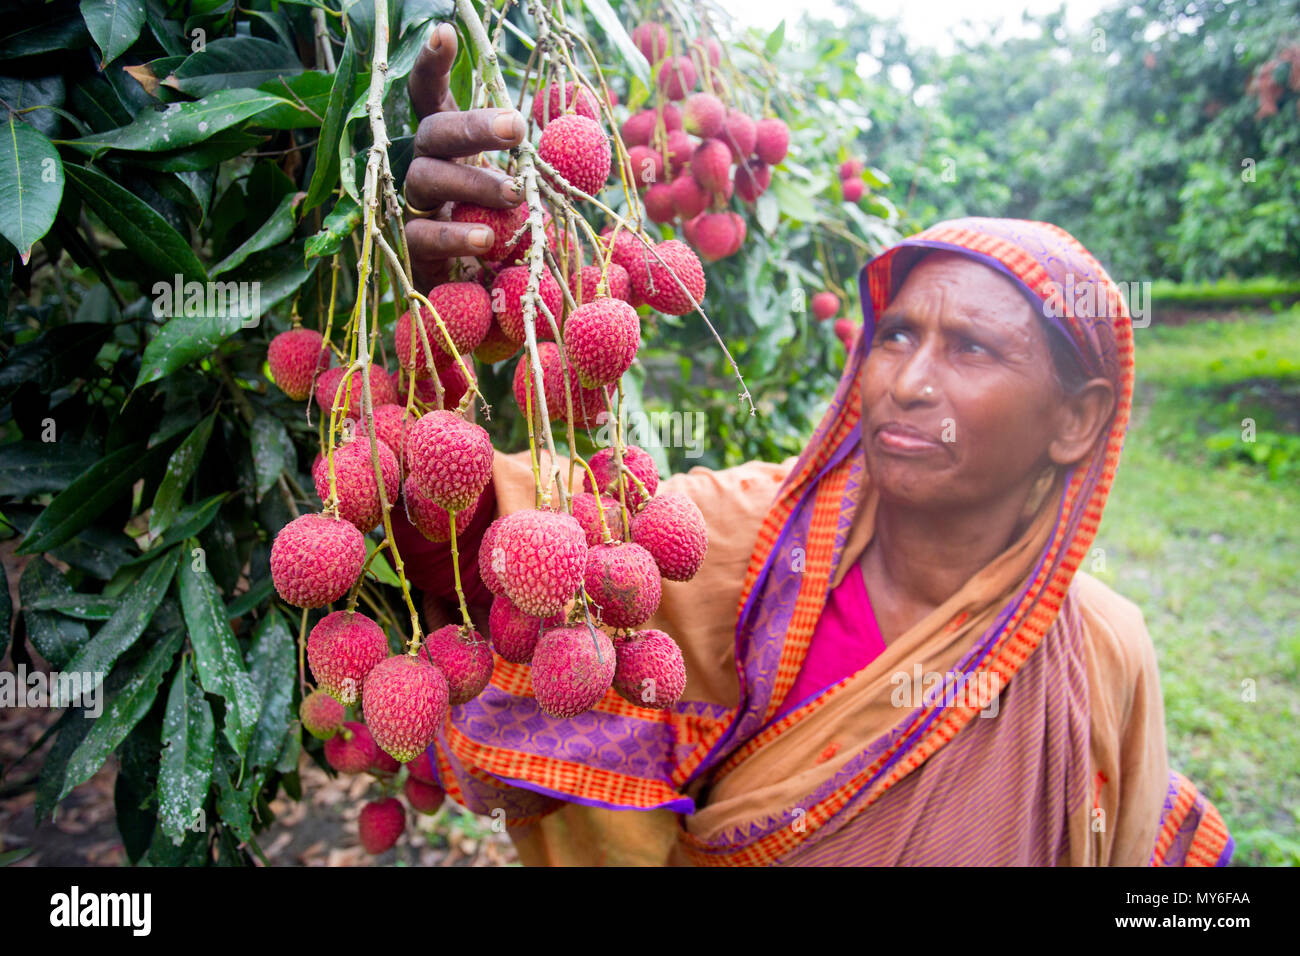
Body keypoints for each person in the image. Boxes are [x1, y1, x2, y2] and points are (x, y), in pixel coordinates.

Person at [396, 25, 1232, 866]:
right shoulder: (748, 534)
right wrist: (438, 332)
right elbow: (464, 558)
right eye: (897, 335)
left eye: (973, 349)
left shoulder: (1101, 654)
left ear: (1076, 421)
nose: (906, 381)